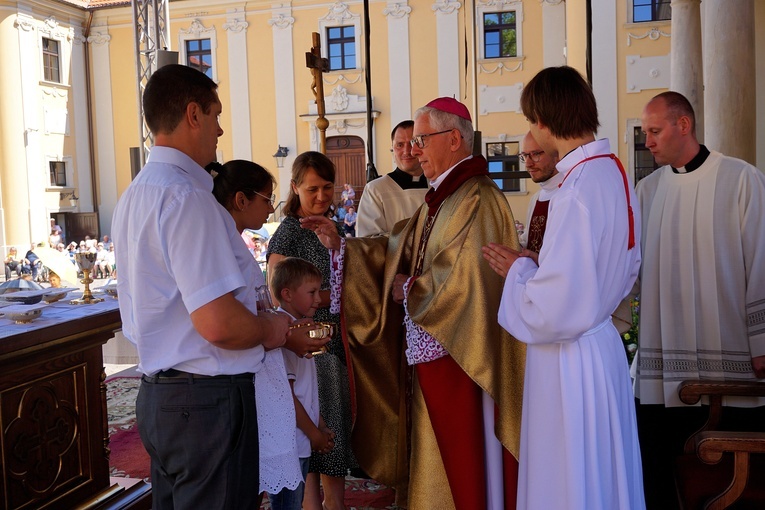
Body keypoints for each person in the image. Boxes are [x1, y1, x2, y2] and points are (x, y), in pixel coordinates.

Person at [111, 64, 321, 510]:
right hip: (204, 400)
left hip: (161, 393)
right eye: (215, 115)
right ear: (193, 114)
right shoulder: (187, 198)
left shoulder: (136, 193)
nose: (220, 129)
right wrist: (273, 330)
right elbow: (220, 324)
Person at [302, 97, 525, 510]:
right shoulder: (443, 197)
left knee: (460, 457)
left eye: (422, 139)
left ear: (455, 139)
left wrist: (412, 289)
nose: (414, 149)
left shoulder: (477, 197)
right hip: (435, 353)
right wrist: (345, 248)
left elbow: (468, 277)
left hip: (462, 355)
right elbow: (397, 247)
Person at [482, 66, 644, 509]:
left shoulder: (575, 189)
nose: (533, 131)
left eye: (532, 120)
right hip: (600, 345)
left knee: (570, 478)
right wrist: (544, 266)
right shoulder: (612, 173)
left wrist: (519, 272)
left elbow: (552, 309)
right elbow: (621, 266)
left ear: (546, 120)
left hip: (569, 359)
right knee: (601, 477)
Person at [634, 91, 765, 509]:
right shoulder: (646, 192)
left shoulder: (741, 179)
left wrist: (763, 343)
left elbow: (762, 261)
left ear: (684, 125)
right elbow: (625, 271)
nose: (648, 141)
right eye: (645, 133)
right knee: (660, 472)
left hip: (732, 361)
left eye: (655, 131)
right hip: (663, 365)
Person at [267, 151, 357, 510]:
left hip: (333, 345)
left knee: (331, 443)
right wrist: (330, 294)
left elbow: (352, 275)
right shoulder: (289, 232)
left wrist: (338, 247)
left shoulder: (333, 224)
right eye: (312, 189)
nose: (321, 196)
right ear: (295, 188)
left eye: (328, 187)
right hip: (307, 347)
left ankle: (333, 504)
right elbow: (277, 290)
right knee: (309, 445)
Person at [269, 257, 336, 510]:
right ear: (287, 294)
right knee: (287, 505)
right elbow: (287, 395)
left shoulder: (301, 330)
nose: (319, 299)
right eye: (312, 292)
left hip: (299, 439)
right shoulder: (284, 334)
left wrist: (320, 426)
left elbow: (306, 390)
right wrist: (314, 434)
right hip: (288, 442)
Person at [356, 120, 429, 237]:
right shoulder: (376, 190)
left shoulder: (438, 186)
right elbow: (368, 243)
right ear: (393, 150)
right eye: (400, 145)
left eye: (413, 142)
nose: (407, 151)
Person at [517, 131, 561, 252]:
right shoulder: (536, 198)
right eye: (525, 156)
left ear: (556, 154)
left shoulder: (568, 195)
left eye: (535, 154)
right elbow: (529, 242)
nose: (528, 163)